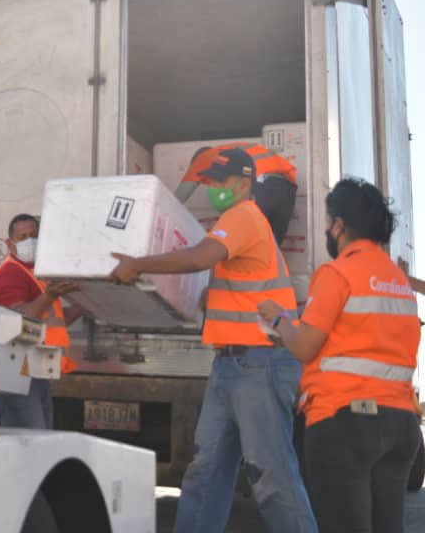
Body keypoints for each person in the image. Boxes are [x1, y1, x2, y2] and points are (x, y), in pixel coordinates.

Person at [109, 147, 316, 533]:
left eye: (222, 181)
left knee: (271, 477)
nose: (215, 188)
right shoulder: (237, 222)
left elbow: (198, 259)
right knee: (206, 472)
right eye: (211, 181)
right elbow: (223, 284)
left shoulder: (242, 217)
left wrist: (139, 265)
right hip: (231, 365)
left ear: (245, 182)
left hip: (259, 364)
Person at [259, 178, 421, 533]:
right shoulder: (398, 282)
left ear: (339, 225)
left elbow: (305, 346)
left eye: (328, 222)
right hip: (400, 425)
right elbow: (363, 341)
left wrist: (279, 320)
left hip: (345, 424)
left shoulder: (337, 273)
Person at [0, 213, 83, 429]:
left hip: (33, 373)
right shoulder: (9, 275)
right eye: (23, 237)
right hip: (14, 376)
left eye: (34, 236)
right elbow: (18, 320)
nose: (30, 241)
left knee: (39, 441)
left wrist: (85, 306)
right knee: (29, 443)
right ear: (9, 244)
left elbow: (51, 321)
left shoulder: (35, 274)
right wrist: (50, 295)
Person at [175, 142, 298, 244]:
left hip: (261, 184)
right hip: (287, 189)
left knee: (238, 239)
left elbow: (178, 197)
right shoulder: (231, 151)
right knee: (271, 247)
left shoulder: (204, 157)